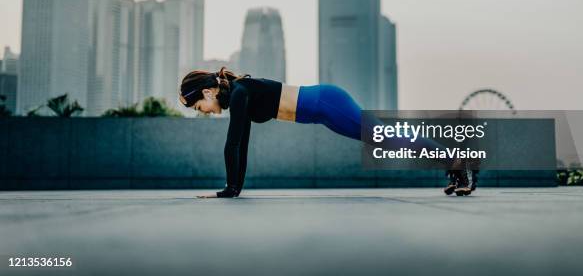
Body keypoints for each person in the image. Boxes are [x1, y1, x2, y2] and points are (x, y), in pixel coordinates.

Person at [178, 67, 478, 198]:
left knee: (386, 137)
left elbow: (233, 145)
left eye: (197, 106)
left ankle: (457, 161)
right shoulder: (240, 96)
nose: (200, 111)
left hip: (325, 102)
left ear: (208, 92)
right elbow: (241, 144)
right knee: (383, 138)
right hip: (322, 113)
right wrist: (234, 189)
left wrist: (230, 190)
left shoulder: (241, 91)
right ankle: (453, 165)